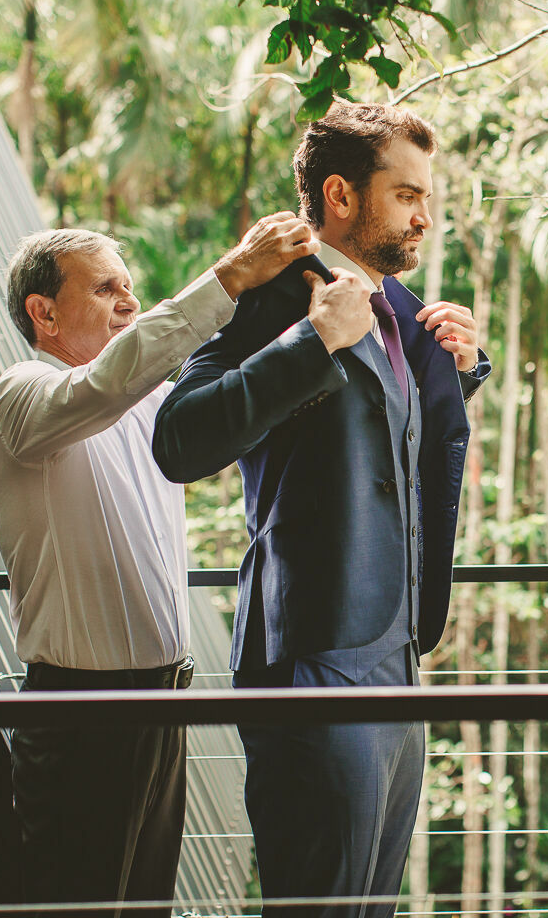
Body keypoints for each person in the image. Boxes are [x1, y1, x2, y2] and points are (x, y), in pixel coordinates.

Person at [151, 102, 489, 917]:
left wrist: (463, 370)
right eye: (406, 195)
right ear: (340, 195)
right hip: (311, 659)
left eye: (426, 197)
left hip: (401, 657)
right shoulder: (271, 298)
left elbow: (403, 444)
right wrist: (310, 343)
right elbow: (180, 440)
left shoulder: (408, 314)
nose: (425, 216)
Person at [0, 216, 368, 917]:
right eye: (105, 289)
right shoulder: (25, 394)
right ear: (44, 314)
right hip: (79, 720)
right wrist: (229, 276)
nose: (128, 300)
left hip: (161, 706)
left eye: (129, 286)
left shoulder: (155, 404)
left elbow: (254, 400)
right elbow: (108, 381)